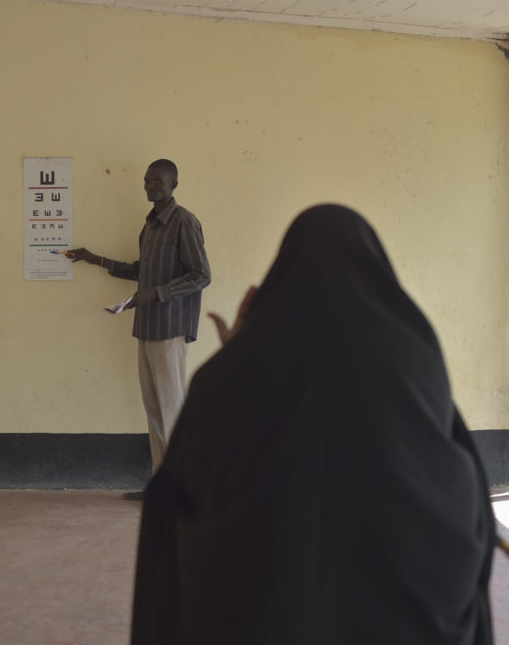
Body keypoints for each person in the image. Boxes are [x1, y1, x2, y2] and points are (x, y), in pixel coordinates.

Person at [131, 204, 494, 644]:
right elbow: (464, 490)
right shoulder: (410, 358)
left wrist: (238, 354)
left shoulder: (232, 376)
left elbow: (175, 496)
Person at [67, 159, 211, 500]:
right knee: (155, 410)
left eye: (158, 182)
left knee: (172, 410)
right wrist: (95, 260)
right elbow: (140, 271)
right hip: (146, 327)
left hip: (170, 329)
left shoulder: (184, 222)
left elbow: (201, 276)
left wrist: (155, 294)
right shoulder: (149, 227)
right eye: (147, 181)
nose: (151, 186)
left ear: (174, 183)